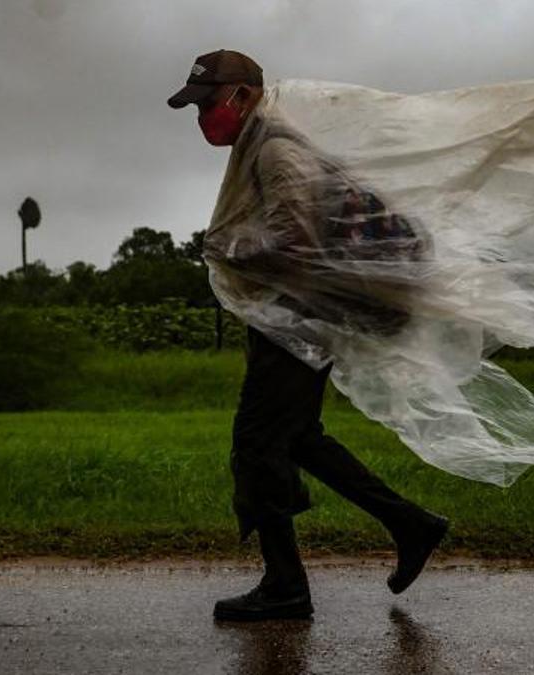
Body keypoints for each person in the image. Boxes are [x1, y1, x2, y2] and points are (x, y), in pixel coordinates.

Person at [167, 49, 450, 622]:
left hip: (297, 323)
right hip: (297, 319)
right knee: (297, 437)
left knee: (257, 443)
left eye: (208, 104)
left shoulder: (274, 150)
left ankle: (286, 587)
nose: (202, 119)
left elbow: (294, 242)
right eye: (195, 109)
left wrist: (228, 250)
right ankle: (411, 525)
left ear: (242, 95)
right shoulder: (265, 145)